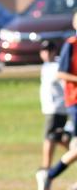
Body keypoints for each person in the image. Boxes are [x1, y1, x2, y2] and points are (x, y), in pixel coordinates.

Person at [38, 12, 77, 190]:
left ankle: (50, 175)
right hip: (75, 102)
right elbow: (61, 74)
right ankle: (50, 175)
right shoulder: (71, 45)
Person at [37, 40, 71, 171]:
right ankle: (72, 148)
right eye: (43, 51)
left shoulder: (57, 65)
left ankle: (46, 167)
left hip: (57, 107)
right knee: (58, 137)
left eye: (48, 51)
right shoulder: (46, 66)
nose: (45, 54)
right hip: (50, 107)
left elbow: (65, 83)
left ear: (54, 51)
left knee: (49, 137)